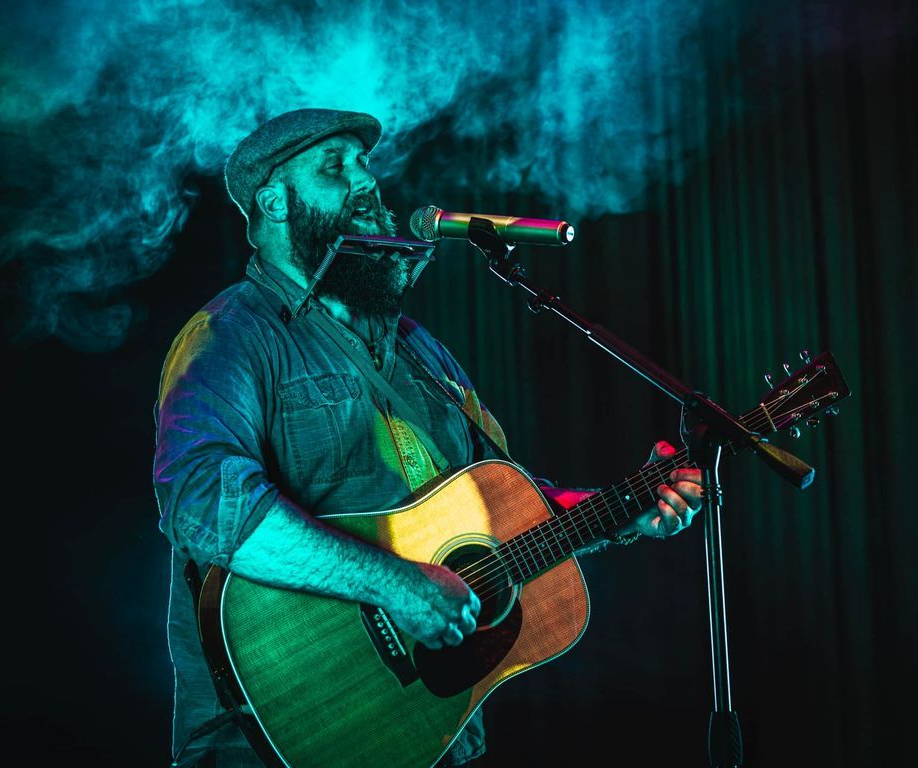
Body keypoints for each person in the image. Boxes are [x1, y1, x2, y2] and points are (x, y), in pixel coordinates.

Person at [152, 108, 703, 768]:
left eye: (364, 164)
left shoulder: (421, 350)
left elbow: (504, 508)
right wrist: (398, 586)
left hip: (432, 734)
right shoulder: (231, 337)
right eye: (334, 167)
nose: (365, 181)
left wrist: (620, 511)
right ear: (273, 202)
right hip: (276, 737)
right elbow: (205, 502)